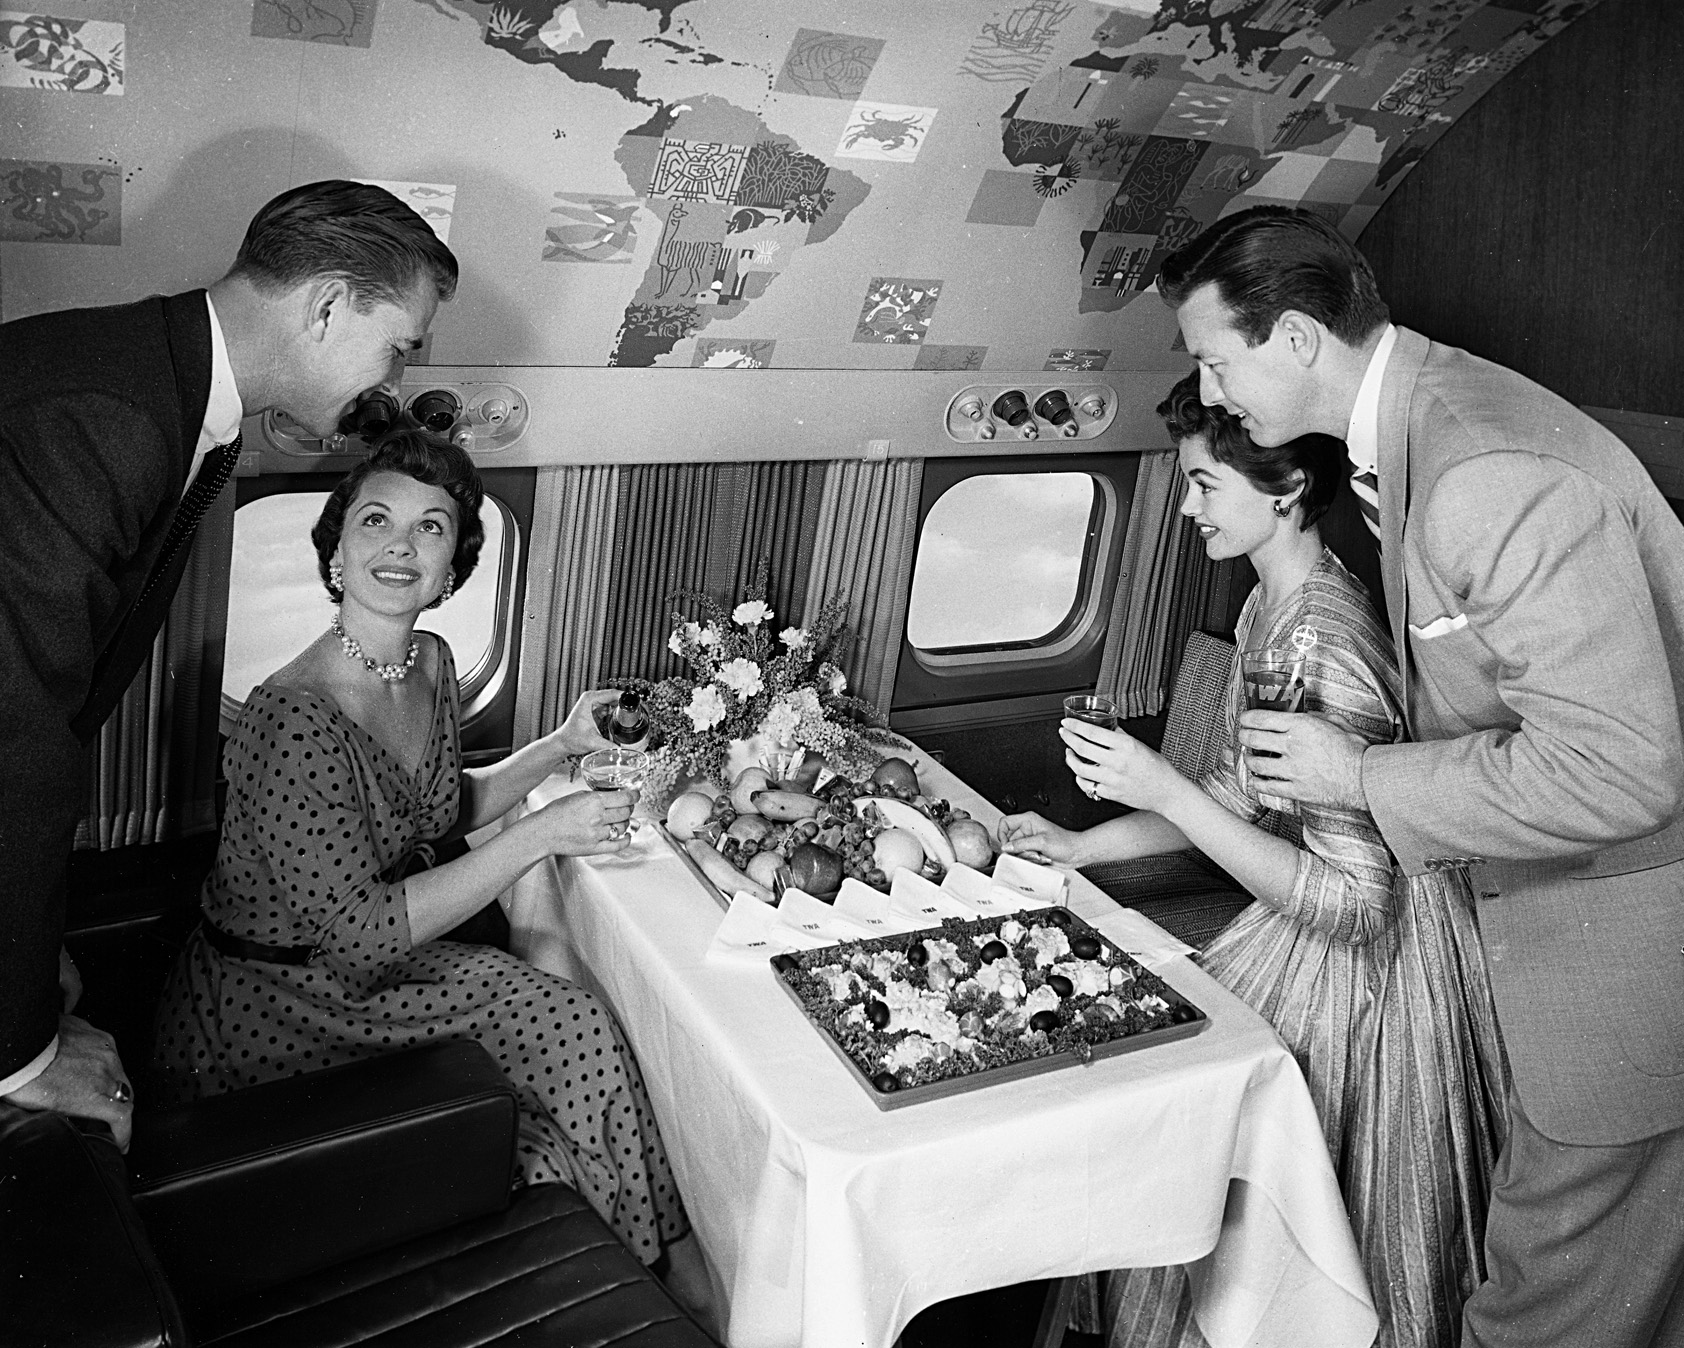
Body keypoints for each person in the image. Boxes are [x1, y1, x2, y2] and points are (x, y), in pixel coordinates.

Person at [1158, 204, 1684, 1348]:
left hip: (1620, 962)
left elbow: (1623, 768)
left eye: (1214, 360)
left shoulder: (1480, 471)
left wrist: (1361, 774)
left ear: (1296, 338)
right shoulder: (1422, 426)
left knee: (1538, 1311)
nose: (1208, 397)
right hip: (1548, 926)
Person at [150, 430, 714, 1317]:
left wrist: (562, 746)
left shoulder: (430, 662)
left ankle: (659, 1274)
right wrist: (541, 837)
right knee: (567, 1022)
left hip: (365, 969)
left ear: (454, 567)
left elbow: (443, 810)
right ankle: (660, 1281)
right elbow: (363, 940)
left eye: (431, 528)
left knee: (573, 1019)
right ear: (335, 553)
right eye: (374, 521)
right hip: (281, 1000)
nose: (400, 546)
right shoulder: (293, 716)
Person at [999, 376, 1508, 1348]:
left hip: (1376, 977)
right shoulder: (1266, 606)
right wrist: (1082, 843)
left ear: (1280, 492)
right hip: (1316, 923)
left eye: (1202, 484)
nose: (1188, 507)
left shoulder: (1324, 639)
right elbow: (1237, 796)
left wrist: (1161, 788)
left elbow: (1356, 902)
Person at [0, 180, 456, 1150]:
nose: (392, 384)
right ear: (327, 304)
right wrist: (21, 1047)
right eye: (398, 346)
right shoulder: (110, 418)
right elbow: (15, 735)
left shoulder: (171, 395)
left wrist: (26, 964)